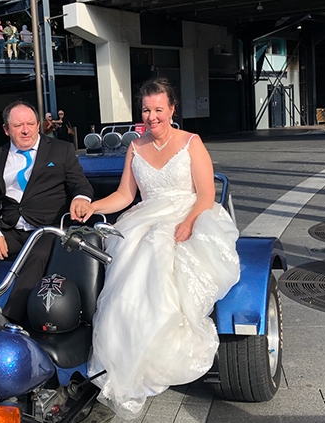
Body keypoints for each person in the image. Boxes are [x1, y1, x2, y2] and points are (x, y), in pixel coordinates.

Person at [84, 77, 241, 420]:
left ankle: (160, 351)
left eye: (158, 109)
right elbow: (126, 196)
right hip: (147, 215)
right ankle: (127, 356)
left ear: (172, 109)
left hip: (190, 213)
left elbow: (205, 194)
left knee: (157, 249)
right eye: (146, 110)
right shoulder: (135, 147)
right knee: (127, 262)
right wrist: (93, 207)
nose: (152, 116)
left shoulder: (191, 142)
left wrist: (187, 223)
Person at [0, 101, 93, 324]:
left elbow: (80, 184)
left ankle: (9, 318)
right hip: (12, 228)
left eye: (30, 124)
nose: (25, 130)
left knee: (36, 254)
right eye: (18, 125)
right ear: (7, 129)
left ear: (38, 125)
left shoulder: (61, 150)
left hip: (47, 229)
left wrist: (81, 199)